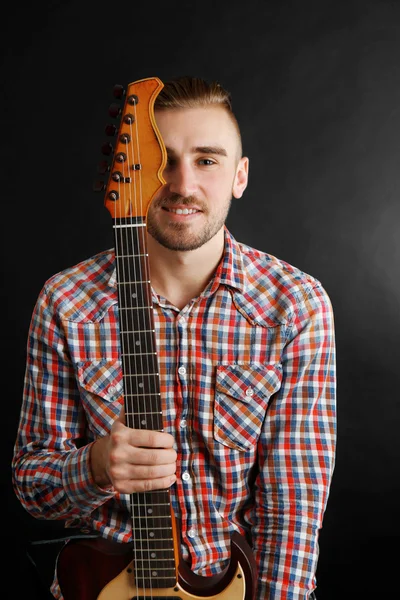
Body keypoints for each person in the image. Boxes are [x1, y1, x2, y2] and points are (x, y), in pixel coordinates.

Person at [12, 75, 336, 600]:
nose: (182, 184)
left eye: (207, 160)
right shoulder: (65, 302)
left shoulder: (295, 305)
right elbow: (32, 487)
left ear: (240, 176)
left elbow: (294, 504)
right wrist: (93, 466)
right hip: (103, 585)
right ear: (133, 174)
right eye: (162, 162)